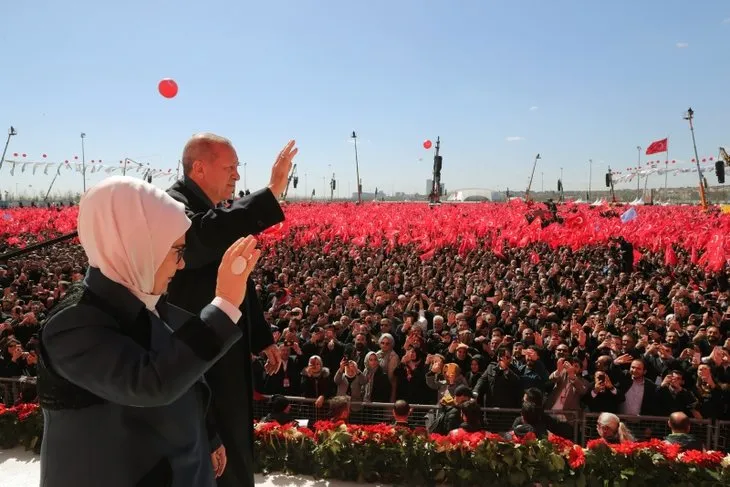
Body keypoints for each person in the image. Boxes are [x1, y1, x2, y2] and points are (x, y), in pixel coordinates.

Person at [37, 176, 262, 487]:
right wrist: (224, 304)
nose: (181, 265)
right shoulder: (72, 324)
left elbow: (189, 381)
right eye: (176, 251)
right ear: (140, 248)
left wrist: (207, 435)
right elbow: (150, 383)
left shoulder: (146, 302)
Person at [166, 134, 297, 487]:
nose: (237, 176)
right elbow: (202, 238)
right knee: (216, 456)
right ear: (199, 167)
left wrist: (261, 339)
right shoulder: (172, 206)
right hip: (199, 359)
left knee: (235, 451)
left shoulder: (214, 211)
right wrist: (270, 192)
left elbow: (238, 281)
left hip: (226, 351)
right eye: (230, 167)